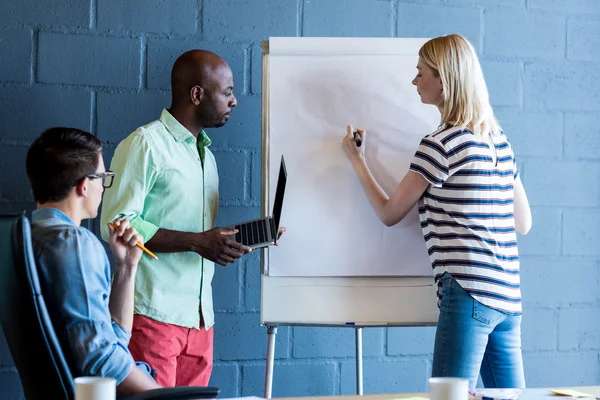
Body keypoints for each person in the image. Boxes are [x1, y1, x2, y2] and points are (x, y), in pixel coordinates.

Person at [341, 34, 532, 388]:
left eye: (420, 73)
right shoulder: (497, 140)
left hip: (469, 292)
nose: (414, 81)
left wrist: (357, 160)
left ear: (444, 81)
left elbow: (389, 213)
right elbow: (524, 222)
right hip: (508, 296)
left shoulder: (439, 144)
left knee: (450, 396)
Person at [99, 49, 253, 387]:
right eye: (227, 91)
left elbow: (201, 235)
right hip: (152, 317)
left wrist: (230, 240)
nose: (235, 101)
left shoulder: (206, 157)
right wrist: (197, 242)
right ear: (197, 94)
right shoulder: (145, 144)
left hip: (200, 321)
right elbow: (116, 222)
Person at [25, 127, 162, 395]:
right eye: (104, 177)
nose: (103, 187)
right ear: (84, 186)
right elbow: (102, 360)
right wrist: (162, 395)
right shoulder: (74, 243)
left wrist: (126, 267)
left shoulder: (30, 235)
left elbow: (114, 339)